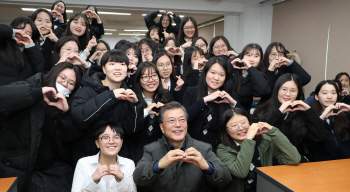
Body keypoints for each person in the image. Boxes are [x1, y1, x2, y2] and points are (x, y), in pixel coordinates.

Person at [0, 62, 83, 192]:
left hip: (47, 170)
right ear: (54, 74)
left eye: (71, 83)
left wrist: (65, 114)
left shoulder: (69, 105)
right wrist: (37, 93)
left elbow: (68, 142)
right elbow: (3, 98)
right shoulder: (33, 84)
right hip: (12, 164)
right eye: (62, 78)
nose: (65, 84)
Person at [133, 101, 232, 192]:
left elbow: (226, 179)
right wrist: (160, 164)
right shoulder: (151, 149)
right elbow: (138, 178)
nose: (178, 125)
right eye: (172, 121)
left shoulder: (204, 148)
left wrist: (206, 166)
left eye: (182, 120)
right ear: (162, 127)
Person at [70, 50, 144, 165]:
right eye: (112, 64)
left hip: (117, 159)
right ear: (104, 69)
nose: (118, 68)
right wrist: (111, 95)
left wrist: (134, 105)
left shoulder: (128, 93)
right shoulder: (87, 89)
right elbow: (79, 117)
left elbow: (132, 130)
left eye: (122, 64)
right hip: (87, 157)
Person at [217, 107, 300, 192]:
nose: (241, 128)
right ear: (226, 130)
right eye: (234, 125)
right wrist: (248, 139)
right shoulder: (223, 149)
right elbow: (241, 172)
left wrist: (273, 131)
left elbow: (294, 159)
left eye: (244, 123)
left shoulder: (265, 141)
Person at [251, 73, 325, 162]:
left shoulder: (302, 113)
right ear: (277, 90)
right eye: (284, 89)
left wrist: (309, 111)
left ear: (298, 93)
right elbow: (259, 134)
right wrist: (278, 112)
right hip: (267, 162)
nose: (288, 94)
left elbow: (320, 137)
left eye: (293, 91)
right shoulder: (262, 110)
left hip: (295, 161)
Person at [182, 56, 244, 151]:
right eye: (213, 73)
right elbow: (184, 118)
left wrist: (233, 103)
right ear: (206, 72)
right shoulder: (191, 92)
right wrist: (204, 100)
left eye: (221, 75)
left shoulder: (228, 95)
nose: (216, 78)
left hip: (218, 149)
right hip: (191, 146)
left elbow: (244, 121)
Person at [72, 123, 137, 192]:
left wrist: (122, 179)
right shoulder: (83, 163)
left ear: (121, 142)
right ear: (97, 143)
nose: (111, 142)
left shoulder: (129, 164)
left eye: (116, 137)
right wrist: (93, 180)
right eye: (105, 137)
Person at [129, 61, 172, 164]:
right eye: (145, 77)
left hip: (161, 151)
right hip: (136, 151)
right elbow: (128, 127)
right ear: (138, 80)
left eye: (154, 75)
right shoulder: (132, 99)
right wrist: (146, 111)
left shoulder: (166, 97)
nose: (151, 80)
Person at [309, 80, 350, 162]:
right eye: (324, 93)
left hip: (345, 163)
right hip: (320, 165)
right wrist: (321, 118)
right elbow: (309, 142)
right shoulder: (310, 116)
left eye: (333, 93)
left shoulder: (345, 115)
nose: (329, 96)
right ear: (316, 96)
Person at [0, 17, 44, 86]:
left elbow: (40, 70)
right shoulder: (2, 45)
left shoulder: (31, 52)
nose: (22, 33)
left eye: (28, 33)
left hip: (20, 93)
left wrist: (31, 47)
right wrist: (12, 32)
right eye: (20, 28)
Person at [231, 43, 270, 112]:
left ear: (260, 60)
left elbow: (263, 90)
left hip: (244, 112)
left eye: (256, 56)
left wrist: (251, 69)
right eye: (248, 55)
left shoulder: (259, 75)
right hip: (228, 109)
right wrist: (229, 65)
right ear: (242, 56)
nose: (252, 59)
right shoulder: (234, 69)